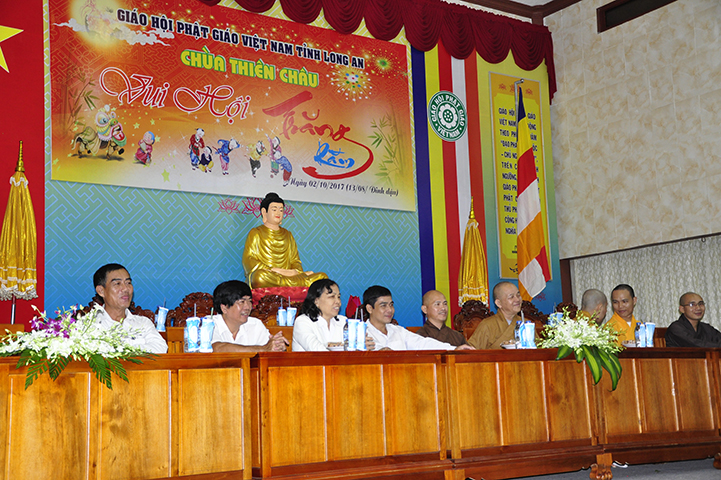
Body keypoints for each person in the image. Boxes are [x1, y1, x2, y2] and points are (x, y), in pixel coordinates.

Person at [242, 192, 328, 288]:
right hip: (270, 275)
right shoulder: (256, 232)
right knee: (259, 277)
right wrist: (275, 270)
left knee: (322, 277)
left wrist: (295, 272)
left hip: (289, 276)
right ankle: (289, 285)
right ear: (264, 212)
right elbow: (248, 259)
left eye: (281, 210)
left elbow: (295, 261)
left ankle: (287, 284)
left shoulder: (288, 234)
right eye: (274, 209)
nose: (278, 213)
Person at [363, 286, 473, 351]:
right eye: (383, 306)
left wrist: (454, 349)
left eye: (391, 305)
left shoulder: (398, 331)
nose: (390, 310)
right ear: (369, 308)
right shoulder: (361, 335)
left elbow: (423, 343)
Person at [92, 263, 168, 354]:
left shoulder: (143, 323)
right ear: (101, 291)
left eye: (128, 283)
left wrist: (122, 349)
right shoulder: (90, 325)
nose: (125, 289)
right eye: (117, 284)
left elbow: (161, 348)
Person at [210, 280, 288, 352]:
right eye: (242, 302)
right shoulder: (209, 324)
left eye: (249, 301)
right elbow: (217, 348)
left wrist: (277, 346)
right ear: (224, 308)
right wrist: (263, 349)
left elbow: (269, 348)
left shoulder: (255, 324)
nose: (248, 307)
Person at [292, 279, 346, 351]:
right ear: (316, 301)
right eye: (332, 296)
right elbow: (317, 351)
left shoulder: (343, 321)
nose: (338, 301)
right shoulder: (303, 322)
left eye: (338, 297)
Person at [467, 281, 522, 349]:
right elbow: (471, 351)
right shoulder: (487, 325)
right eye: (511, 297)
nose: (517, 299)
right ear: (499, 303)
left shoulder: (526, 324)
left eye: (518, 295)